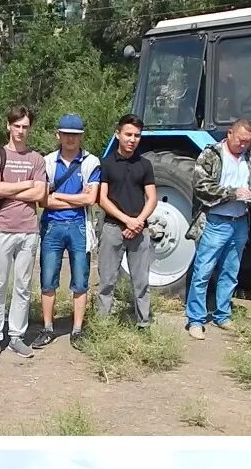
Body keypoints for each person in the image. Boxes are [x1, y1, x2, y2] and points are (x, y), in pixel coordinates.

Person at [184, 119, 251, 339]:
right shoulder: (211, 155)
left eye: (248, 142)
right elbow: (201, 186)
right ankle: (195, 320)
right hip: (215, 221)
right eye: (240, 140)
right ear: (230, 133)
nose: (243, 145)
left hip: (239, 221)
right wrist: (233, 193)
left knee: (231, 272)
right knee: (203, 271)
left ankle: (223, 315)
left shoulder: (249, 157)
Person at [0, 106, 47, 359]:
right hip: (2, 228)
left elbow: (40, 194)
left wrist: (18, 188)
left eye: (25, 126)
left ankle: (17, 336)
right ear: (8, 126)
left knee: (23, 286)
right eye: (16, 126)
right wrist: (26, 185)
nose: (20, 131)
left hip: (29, 230)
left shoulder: (36, 159)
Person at [33, 113, 101, 349]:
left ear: (81, 137)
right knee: (48, 279)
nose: (71, 139)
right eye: (66, 134)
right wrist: (75, 198)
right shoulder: (47, 162)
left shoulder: (92, 162)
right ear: (58, 135)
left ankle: (77, 329)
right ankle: (48, 328)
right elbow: (43, 201)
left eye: (75, 135)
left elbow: (91, 199)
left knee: (81, 281)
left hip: (80, 227)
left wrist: (57, 195)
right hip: (52, 225)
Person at [97, 114, 158, 329]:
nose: (132, 139)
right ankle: (103, 326)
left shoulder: (145, 164)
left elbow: (152, 198)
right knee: (106, 280)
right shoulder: (105, 163)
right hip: (113, 228)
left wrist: (138, 221)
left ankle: (144, 323)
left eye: (137, 135)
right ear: (118, 134)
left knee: (141, 281)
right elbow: (102, 199)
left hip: (140, 231)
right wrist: (126, 220)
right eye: (128, 134)